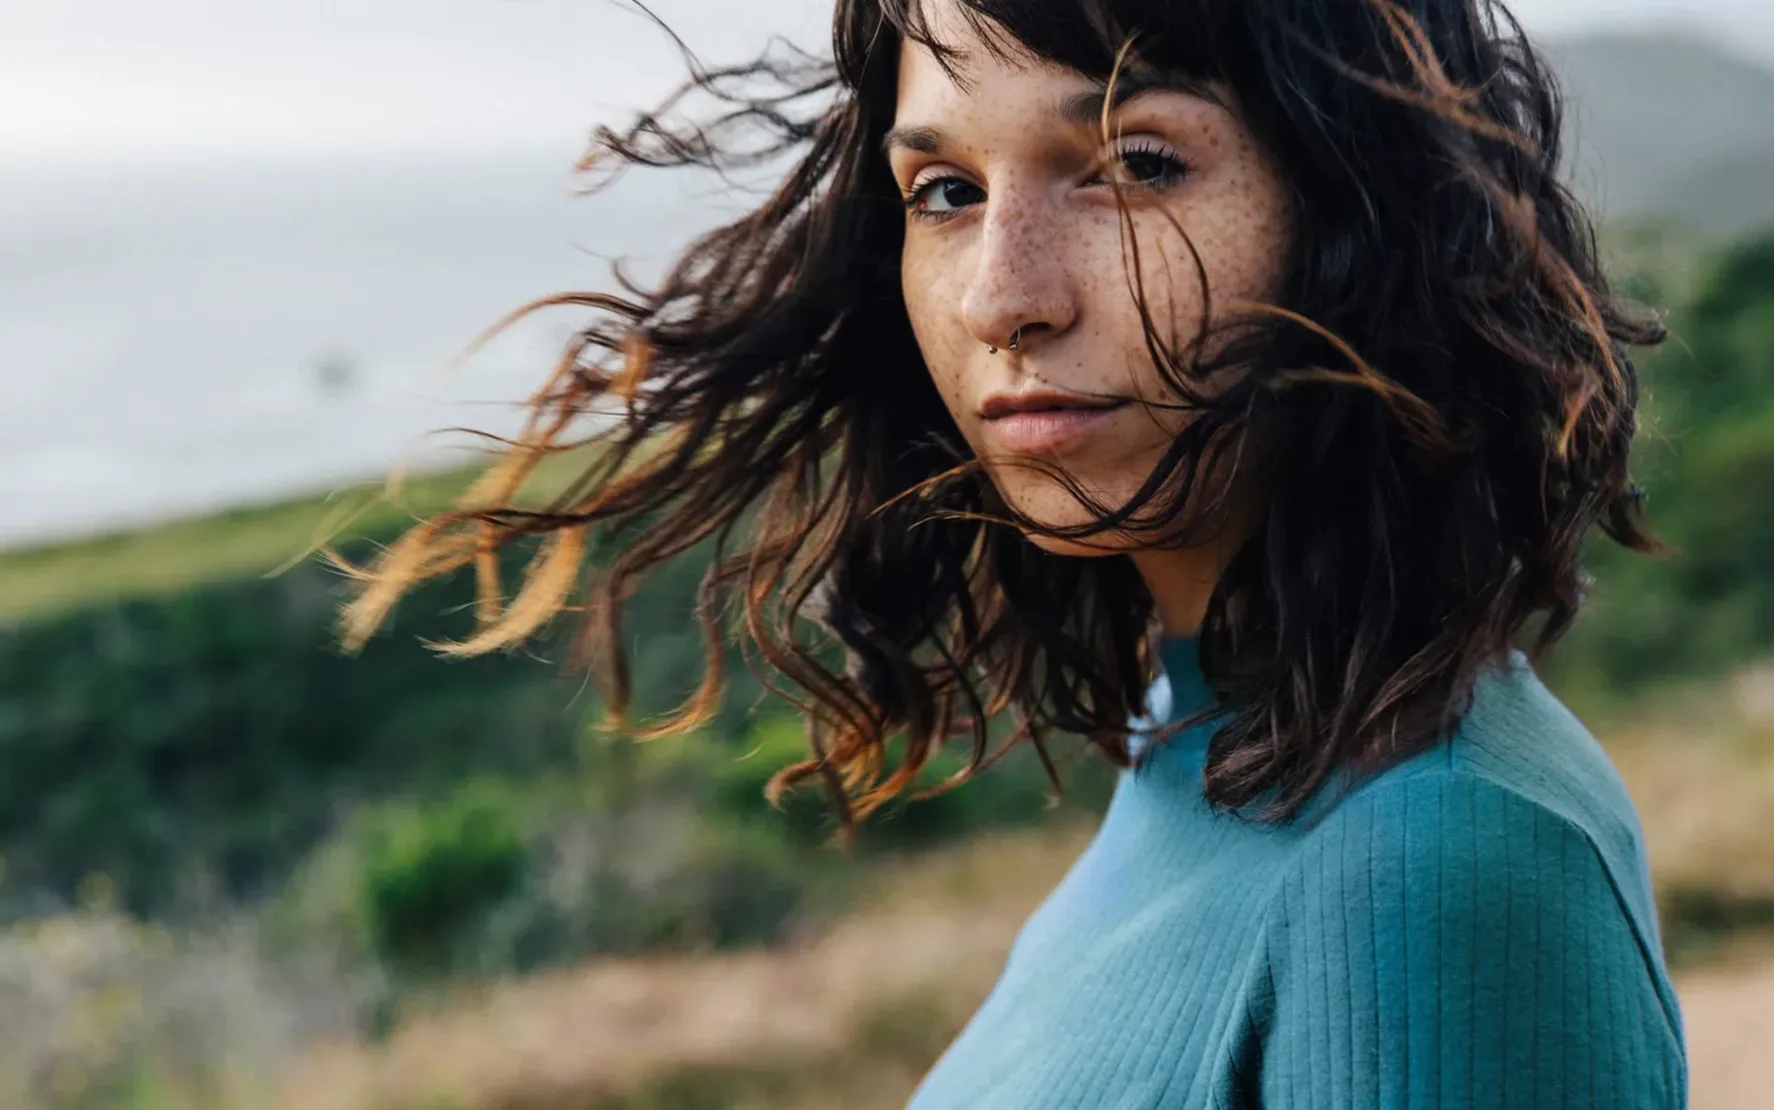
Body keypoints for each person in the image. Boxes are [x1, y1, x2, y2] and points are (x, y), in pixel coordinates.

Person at [339, 0, 1688, 1104]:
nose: (1001, 295)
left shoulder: (1441, 861)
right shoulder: (1201, 733)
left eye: (1137, 164)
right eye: (944, 191)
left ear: (1364, 208)